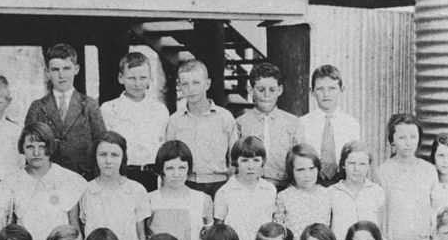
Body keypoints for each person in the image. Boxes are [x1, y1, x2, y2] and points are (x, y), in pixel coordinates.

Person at [24, 43, 107, 179]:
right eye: (55, 69)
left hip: (83, 178)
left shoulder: (89, 105)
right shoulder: (37, 107)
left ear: (76, 69)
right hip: (48, 179)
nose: (61, 75)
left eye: (67, 68)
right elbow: (29, 148)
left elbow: (102, 146)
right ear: (47, 73)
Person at [378, 113, 438, 240]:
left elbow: (435, 211)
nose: (408, 142)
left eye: (413, 137)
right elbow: (381, 212)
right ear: (392, 141)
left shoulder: (429, 171)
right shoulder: (383, 171)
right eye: (402, 137)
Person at [12, 122, 87, 240]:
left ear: (50, 147)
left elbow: (74, 224)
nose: (36, 153)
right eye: (30, 147)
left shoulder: (68, 179)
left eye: (42, 147)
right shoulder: (12, 182)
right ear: (22, 148)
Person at [165, 59, 238, 198]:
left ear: (207, 84)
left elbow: (234, 157)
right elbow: (169, 157)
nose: (191, 89)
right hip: (186, 184)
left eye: (196, 83)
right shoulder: (175, 120)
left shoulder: (225, 117)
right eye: (185, 84)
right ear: (179, 86)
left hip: (219, 184)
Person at [79, 131, 151, 240]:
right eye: (103, 155)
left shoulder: (136, 190)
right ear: (95, 157)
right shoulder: (86, 191)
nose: (108, 161)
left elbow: (141, 237)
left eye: (114, 155)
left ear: (123, 157)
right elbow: (84, 233)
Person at [100, 51, 169, 192]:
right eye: (131, 78)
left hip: (152, 177)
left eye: (143, 77)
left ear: (150, 78)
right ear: (121, 78)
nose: (137, 84)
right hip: (120, 175)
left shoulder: (160, 110)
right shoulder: (109, 109)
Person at [147, 140, 212, 240]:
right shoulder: (150, 200)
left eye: (182, 168)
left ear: (189, 168)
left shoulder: (202, 199)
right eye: (170, 168)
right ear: (161, 169)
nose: (176, 174)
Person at [235, 62, 301, 191]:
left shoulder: (293, 123)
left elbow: (298, 159)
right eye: (260, 89)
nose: (266, 95)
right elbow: (235, 160)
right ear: (250, 89)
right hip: (250, 187)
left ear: (280, 90)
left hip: (283, 187)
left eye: (272, 90)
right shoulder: (240, 123)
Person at [214, 136, 277, 240]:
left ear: (262, 162)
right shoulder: (225, 192)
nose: (250, 166)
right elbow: (218, 229)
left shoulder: (269, 190)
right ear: (236, 162)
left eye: (256, 160)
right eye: (244, 160)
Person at [297, 65, 360, 185]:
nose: (326, 94)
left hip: (342, 182)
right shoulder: (302, 123)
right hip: (311, 183)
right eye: (320, 89)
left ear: (342, 90)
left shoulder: (351, 124)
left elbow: (355, 158)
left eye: (332, 88)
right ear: (312, 92)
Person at [274, 143, 332, 240]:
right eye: (300, 170)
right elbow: (279, 235)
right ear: (292, 171)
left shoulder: (328, 194)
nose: (307, 175)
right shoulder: (283, 197)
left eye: (312, 169)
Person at [328, 140, 384, 240]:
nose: (356, 168)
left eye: (362, 164)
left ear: (369, 166)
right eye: (352, 163)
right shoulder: (331, 193)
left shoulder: (377, 192)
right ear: (343, 164)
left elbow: (381, 226)